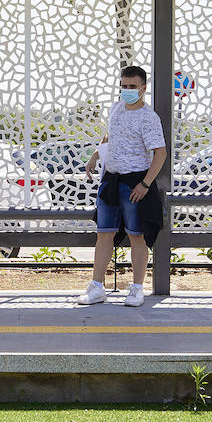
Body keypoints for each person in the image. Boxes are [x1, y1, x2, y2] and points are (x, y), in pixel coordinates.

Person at [78, 65, 167, 308]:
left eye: (132, 87)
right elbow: (109, 135)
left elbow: (160, 153)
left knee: (137, 236)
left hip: (135, 182)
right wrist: (96, 154)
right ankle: (96, 287)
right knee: (104, 233)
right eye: (124, 86)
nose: (127, 91)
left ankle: (137, 288)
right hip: (111, 179)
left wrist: (145, 184)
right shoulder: (116, 108)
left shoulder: (149, 117)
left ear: (143, 88)